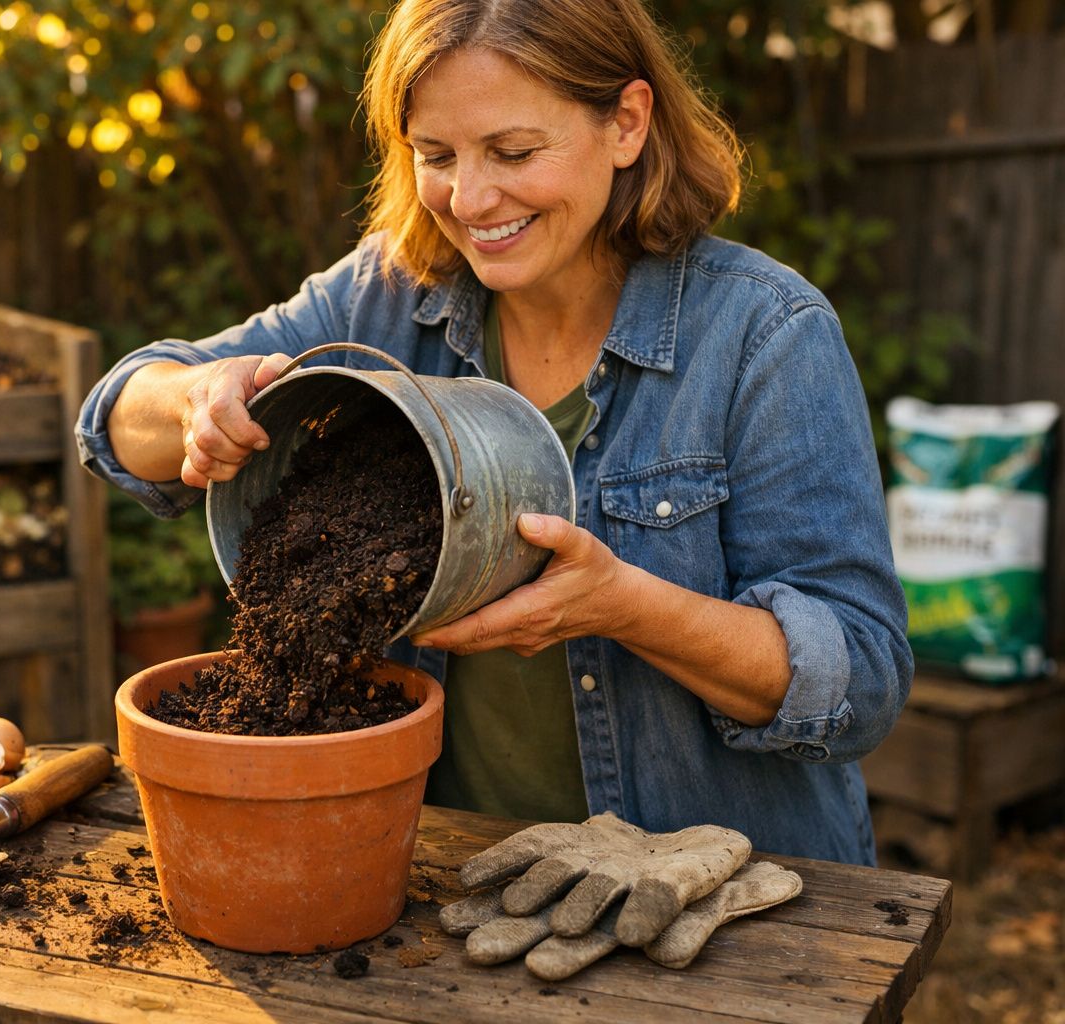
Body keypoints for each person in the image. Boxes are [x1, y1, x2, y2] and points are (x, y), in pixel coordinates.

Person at [76, 0, 911, 865]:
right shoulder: (386, 298)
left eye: (513, 152)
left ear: (626, 123)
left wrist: (624, 609)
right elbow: (111, 419)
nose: (469, 200)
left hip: (716, 906)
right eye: (435, 156)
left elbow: (861, 679)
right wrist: (191, 400)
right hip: (445, 893)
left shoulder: (761, 336)